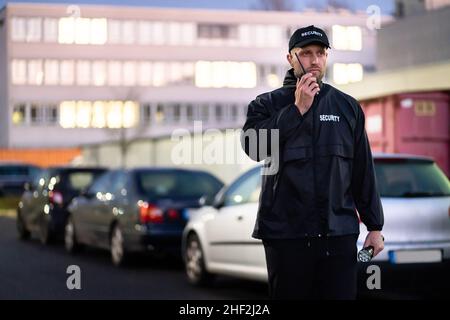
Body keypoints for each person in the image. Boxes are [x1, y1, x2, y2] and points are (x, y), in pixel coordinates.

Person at [241, 25, 384, 300]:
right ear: (290, 58)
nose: (315, 60)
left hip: (338, 236)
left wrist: (374, 226)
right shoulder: (266, 105)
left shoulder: (347, 107)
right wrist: (297, 110)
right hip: (286, 238)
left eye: (321, 53)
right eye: (306, 53)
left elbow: (362, 171)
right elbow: (254, 148)